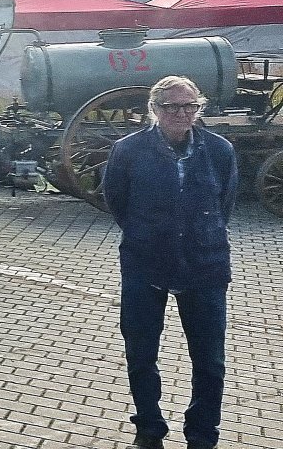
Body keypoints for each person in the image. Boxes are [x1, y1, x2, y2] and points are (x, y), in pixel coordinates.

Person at [101, 76, 236, 449]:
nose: (181, 113)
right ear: (154, 109)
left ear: (199, 108)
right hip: (145, 264)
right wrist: (148, 234)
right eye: (171, 106)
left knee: (210, 361)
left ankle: (202, 435)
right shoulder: (128, 150)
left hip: (205, 264)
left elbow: (224, 205)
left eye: (189, 106)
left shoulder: (220, 150)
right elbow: (117, 201)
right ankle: (149, 428)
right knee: (141, 355)